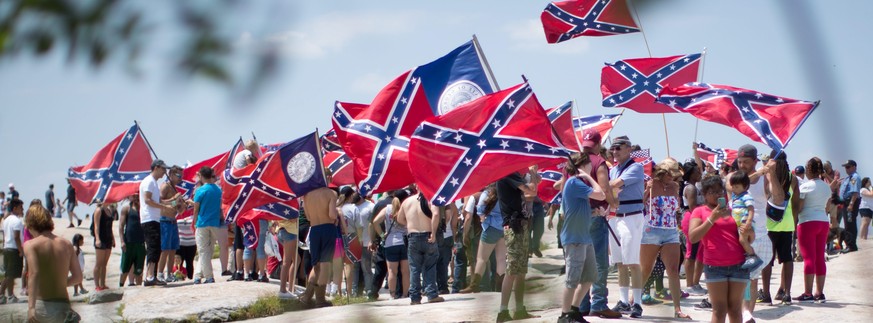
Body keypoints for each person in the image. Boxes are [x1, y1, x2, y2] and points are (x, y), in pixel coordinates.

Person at [573, 130, 621, 319]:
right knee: (599, 262)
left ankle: (582, 304)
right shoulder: (599, 162)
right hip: (594, 214)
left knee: (582, 261)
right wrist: (612, 204)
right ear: (598, 143)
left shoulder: (574, 162)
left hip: (576, 217)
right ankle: (599, 303)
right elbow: (604, 187)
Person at [689, 175, 749, 323]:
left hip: (739, 264)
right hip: (714, 266)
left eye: (719, 191)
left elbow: (746, 237)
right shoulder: (699, 211)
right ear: (704, 195)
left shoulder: (734, 209)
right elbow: (693, 237)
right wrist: (712, 218)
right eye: (712, 192)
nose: (717, 195)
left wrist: (748, 230)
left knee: (735, 309)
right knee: (719, 310)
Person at [557, 152, 607, 323]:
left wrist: (594, 212)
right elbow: (601, 194)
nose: (591, 167)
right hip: (574, 238)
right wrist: (589, 177)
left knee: (590, 277)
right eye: (588, 166)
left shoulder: (577, 185)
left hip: (584, 238)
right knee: (572, 279)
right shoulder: (574, 182)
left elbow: (579, 210)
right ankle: (564, 315)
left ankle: (574, 309)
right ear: (582, 166)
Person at [639, 159, 692, 319]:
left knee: (673, 270)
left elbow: (676, 206)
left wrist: (676, 213)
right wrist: (646, 191)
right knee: (646, 269)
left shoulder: (675, 187)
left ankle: (677, 309)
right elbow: (640, 204)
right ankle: (634, 300)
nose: (673, 178)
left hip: (670, 231)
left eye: (674, 175)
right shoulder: (650, 184)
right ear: (662, 173)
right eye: (670, 174)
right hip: (651, 230)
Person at [732, 145, 774, 322]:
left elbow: (776, 195)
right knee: (740, 277)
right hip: (738, 233)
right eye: (739, 162)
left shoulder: (764, 178)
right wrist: (760, 172)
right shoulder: (733, 178)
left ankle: (748, 313)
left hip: (761, 234)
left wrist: (771, 173)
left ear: (755, 161)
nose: (741, 165)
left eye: (746, 162)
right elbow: (733, 185)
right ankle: (743, 312)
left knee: (753, 277)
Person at [23, 202, 83, 322]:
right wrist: (60, 282)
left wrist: (31, 307)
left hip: (42, 307)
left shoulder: (30, 245)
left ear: (30, 225)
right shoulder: (66, 244)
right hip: (64, 306)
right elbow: (78, 277)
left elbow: (34, 274)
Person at [607, 136, 646, 318]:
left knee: (632, 262)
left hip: (631, 217)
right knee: (620, 262)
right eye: (613, 148)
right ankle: (623, 301)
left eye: (619, 148)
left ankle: (636, 303)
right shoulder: (613, 170)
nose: (615, 151)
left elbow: (614, 185)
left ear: (628, 149)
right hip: (616, 217)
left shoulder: (635, 167)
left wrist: (598, 186)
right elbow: (612, 189)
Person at [496, 168, 540, 322]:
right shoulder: (508, 173)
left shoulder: (511, 175)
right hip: (514, 227)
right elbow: (532, 192)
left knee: (520, 270)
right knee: (513, 270)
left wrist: (533, 178)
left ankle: (519, 309)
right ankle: (503, 312)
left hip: (520, 225)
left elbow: (530, 194)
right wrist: (533, 174)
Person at [760, 152, 798, 305]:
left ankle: (767, 294)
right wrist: (793, 222)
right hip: (787, 222)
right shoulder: (792, 178)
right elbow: (796, 204)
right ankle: (787, 294)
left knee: (767, 260)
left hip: (770, 222)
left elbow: (766, 196)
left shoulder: (768, 175)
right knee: (787, 258)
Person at [396, 193, 445, 305]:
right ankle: (432, 294)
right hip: (427, 234)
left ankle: (415, 298)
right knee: (430, 266)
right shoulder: (431, 199)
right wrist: (433, 232)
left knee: (414, 268)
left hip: (413, 236)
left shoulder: (407, 201)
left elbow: (399, 219)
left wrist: (410, 223)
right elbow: (436, 214)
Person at [793, 157, 831, 303]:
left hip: (807, 222)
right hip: (823, 221)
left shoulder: (805, 187)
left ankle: (808, 293)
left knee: (809, 258)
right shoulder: (826, 187)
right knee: (820, 257)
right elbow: (827, 207)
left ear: (808, 169)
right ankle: (819, 293)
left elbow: (800, 207)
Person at [459, 185, 506, 295]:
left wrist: (483, 218)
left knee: (481, 259)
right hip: (503, 227)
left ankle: (474, 285)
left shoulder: (486, 193)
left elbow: (480, 209)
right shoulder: (504, 191)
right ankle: (499, 287)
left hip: (490, 228)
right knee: (501, 259)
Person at [299, 186, 340, 308]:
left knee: (316, 265)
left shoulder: (306, 195)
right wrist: (337, 216)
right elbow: (332, 215)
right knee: (325, 264)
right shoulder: (331, 193)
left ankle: (307, 296)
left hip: (314, 229)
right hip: (327, 228)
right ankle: (320, 299)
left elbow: (308, 217)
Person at [139, 159, 175, 286]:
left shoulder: (153, 182)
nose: (164, 172)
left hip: (154, 219)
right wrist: (163, 208)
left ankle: (152, 275)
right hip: (149, 219)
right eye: (163, 169)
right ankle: (149, 277)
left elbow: (159, 200)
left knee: (156, 247)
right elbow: (148, 200)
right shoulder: (149, 181)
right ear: (156, 168)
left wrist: (174, 202)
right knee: (153, 247)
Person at [372, 191, 411, 299]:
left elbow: (375, 222)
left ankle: (392, 295)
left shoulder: (387, 209)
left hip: (390, 242)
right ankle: (404, 294)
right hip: (404, 241)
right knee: (405, 271)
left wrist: (381, 235)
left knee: (391, 271)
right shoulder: (405, 208)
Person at [727, 171, 765, 270]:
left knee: (742, 240)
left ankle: (753, 256)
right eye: (733, 187)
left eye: (737, 187)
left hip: (745, 222)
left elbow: (751, 209)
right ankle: (748, 256)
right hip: (739, 224)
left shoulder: (746, 196)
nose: (734, 189)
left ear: (745, 187)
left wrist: (748, 222)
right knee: (743, 241)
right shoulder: (736, 197)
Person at [192, 166, 223, 284]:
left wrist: (194, 222)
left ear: (201, 176)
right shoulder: (218, 190)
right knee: (208, 250)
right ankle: (198, 275)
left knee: (203, 250)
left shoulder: (200, 190)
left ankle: (208, 276)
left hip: (202, 222)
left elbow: (196, 209)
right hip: (214, 222)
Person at [158, 165, 184, 283]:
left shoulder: (175, 188)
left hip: (173, 221)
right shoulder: (165, 186)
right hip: (164, 220)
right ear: (171, 174)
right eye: (178, 175)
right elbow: (159, 201)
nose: (180, 178)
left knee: (173, 249)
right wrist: (174, 199)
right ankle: (160, 274)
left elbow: (178, 209)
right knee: (165, 249)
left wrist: (181, 205)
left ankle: (169, 273)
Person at [119, 194, 146, 287]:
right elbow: (121, 226)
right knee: (125, 268)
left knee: (139, 270)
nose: (135, 197)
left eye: (137, 195)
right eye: (133, 195)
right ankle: (120, 287)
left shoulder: (143, 208)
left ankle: (139, 289)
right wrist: (122, 241)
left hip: (141, 242)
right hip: (129, 242)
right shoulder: (126, 208)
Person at [1, 198, 24, 304]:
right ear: (15, 208)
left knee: (9, 274)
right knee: (11, 274)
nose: (22, 209)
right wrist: (21, 250)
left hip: (6, 247)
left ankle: (3, 295)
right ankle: (10, 295)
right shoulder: (16, 221)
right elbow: (16, 237)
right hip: (14, 249)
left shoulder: (6, 220)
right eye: (20, 207)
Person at [838, 160, 861, 252]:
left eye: (848, 167)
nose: (846, 169)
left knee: (850, 224)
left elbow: (855, 192)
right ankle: (850, 245)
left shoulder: (854, 177)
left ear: (854, 167)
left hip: (850, 202)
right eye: (845, 167)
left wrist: (851, 204)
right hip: (846, 202)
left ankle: (851, 246)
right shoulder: (848, 178)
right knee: (848, 223)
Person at [92, 202, 116, 291]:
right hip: (101, 238)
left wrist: (113, 238)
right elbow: (96, 226)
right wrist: (97, 239)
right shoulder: (99, 210)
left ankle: (102, 284)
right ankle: (97, 285)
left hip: (108, 239)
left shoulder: (109, 210)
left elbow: (110, 227)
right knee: (99, 263)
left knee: (104, 264)